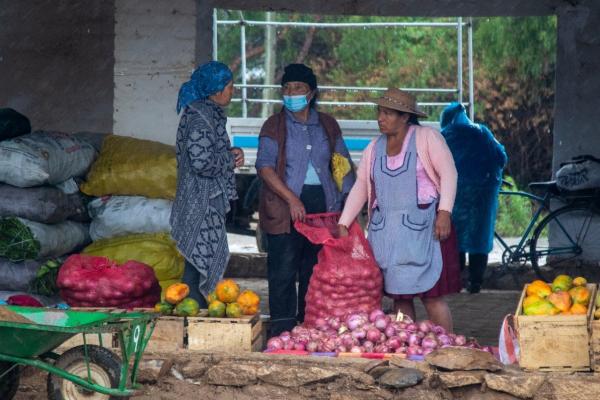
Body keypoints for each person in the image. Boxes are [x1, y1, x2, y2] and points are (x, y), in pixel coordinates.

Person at [337, 88, 461, 332]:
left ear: (405, 117)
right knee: (400, 298)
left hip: (425, 230)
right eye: (379, 112)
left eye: (388, 113)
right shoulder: (374, 147)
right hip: (388, 235)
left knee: (431, 297)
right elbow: (362, 185)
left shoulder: (427, 138)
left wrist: (444, 211)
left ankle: (448, 344)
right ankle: (408, 346)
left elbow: (449, 173)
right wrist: (344, 222)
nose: (380, 118)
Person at [256, 63, 355, 336]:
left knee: (314, 271)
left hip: (323, 208)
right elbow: (264, 167)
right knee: (283, 271)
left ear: (311, 93)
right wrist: (291, 200)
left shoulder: (327, 124)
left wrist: (348, 204)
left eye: (298, 88)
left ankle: (309, 328)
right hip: (285, 208)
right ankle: (283, 333)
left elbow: (342, 164)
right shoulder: (274, 125)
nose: (291, 93)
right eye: (286, 89)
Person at [170, 61, 244, 307]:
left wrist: (229, 154)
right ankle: (192, 320)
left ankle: (194, 314)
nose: (232, 92)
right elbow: (202, 162)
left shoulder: (206, 113)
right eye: (229, 87)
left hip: (202, 199)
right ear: (215, 90)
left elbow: (210, 154)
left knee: (198, 263)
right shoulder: (202, 118)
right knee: (196, 264)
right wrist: (229, 159)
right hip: (200, 200)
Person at [440, 102, 507, 294]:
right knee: (480, 238)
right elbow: (500, 157)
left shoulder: (445, 137)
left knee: (455, 238)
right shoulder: (482, 132)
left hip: (455, 196)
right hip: (482, 196)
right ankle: (476, 282)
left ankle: (456, 281)